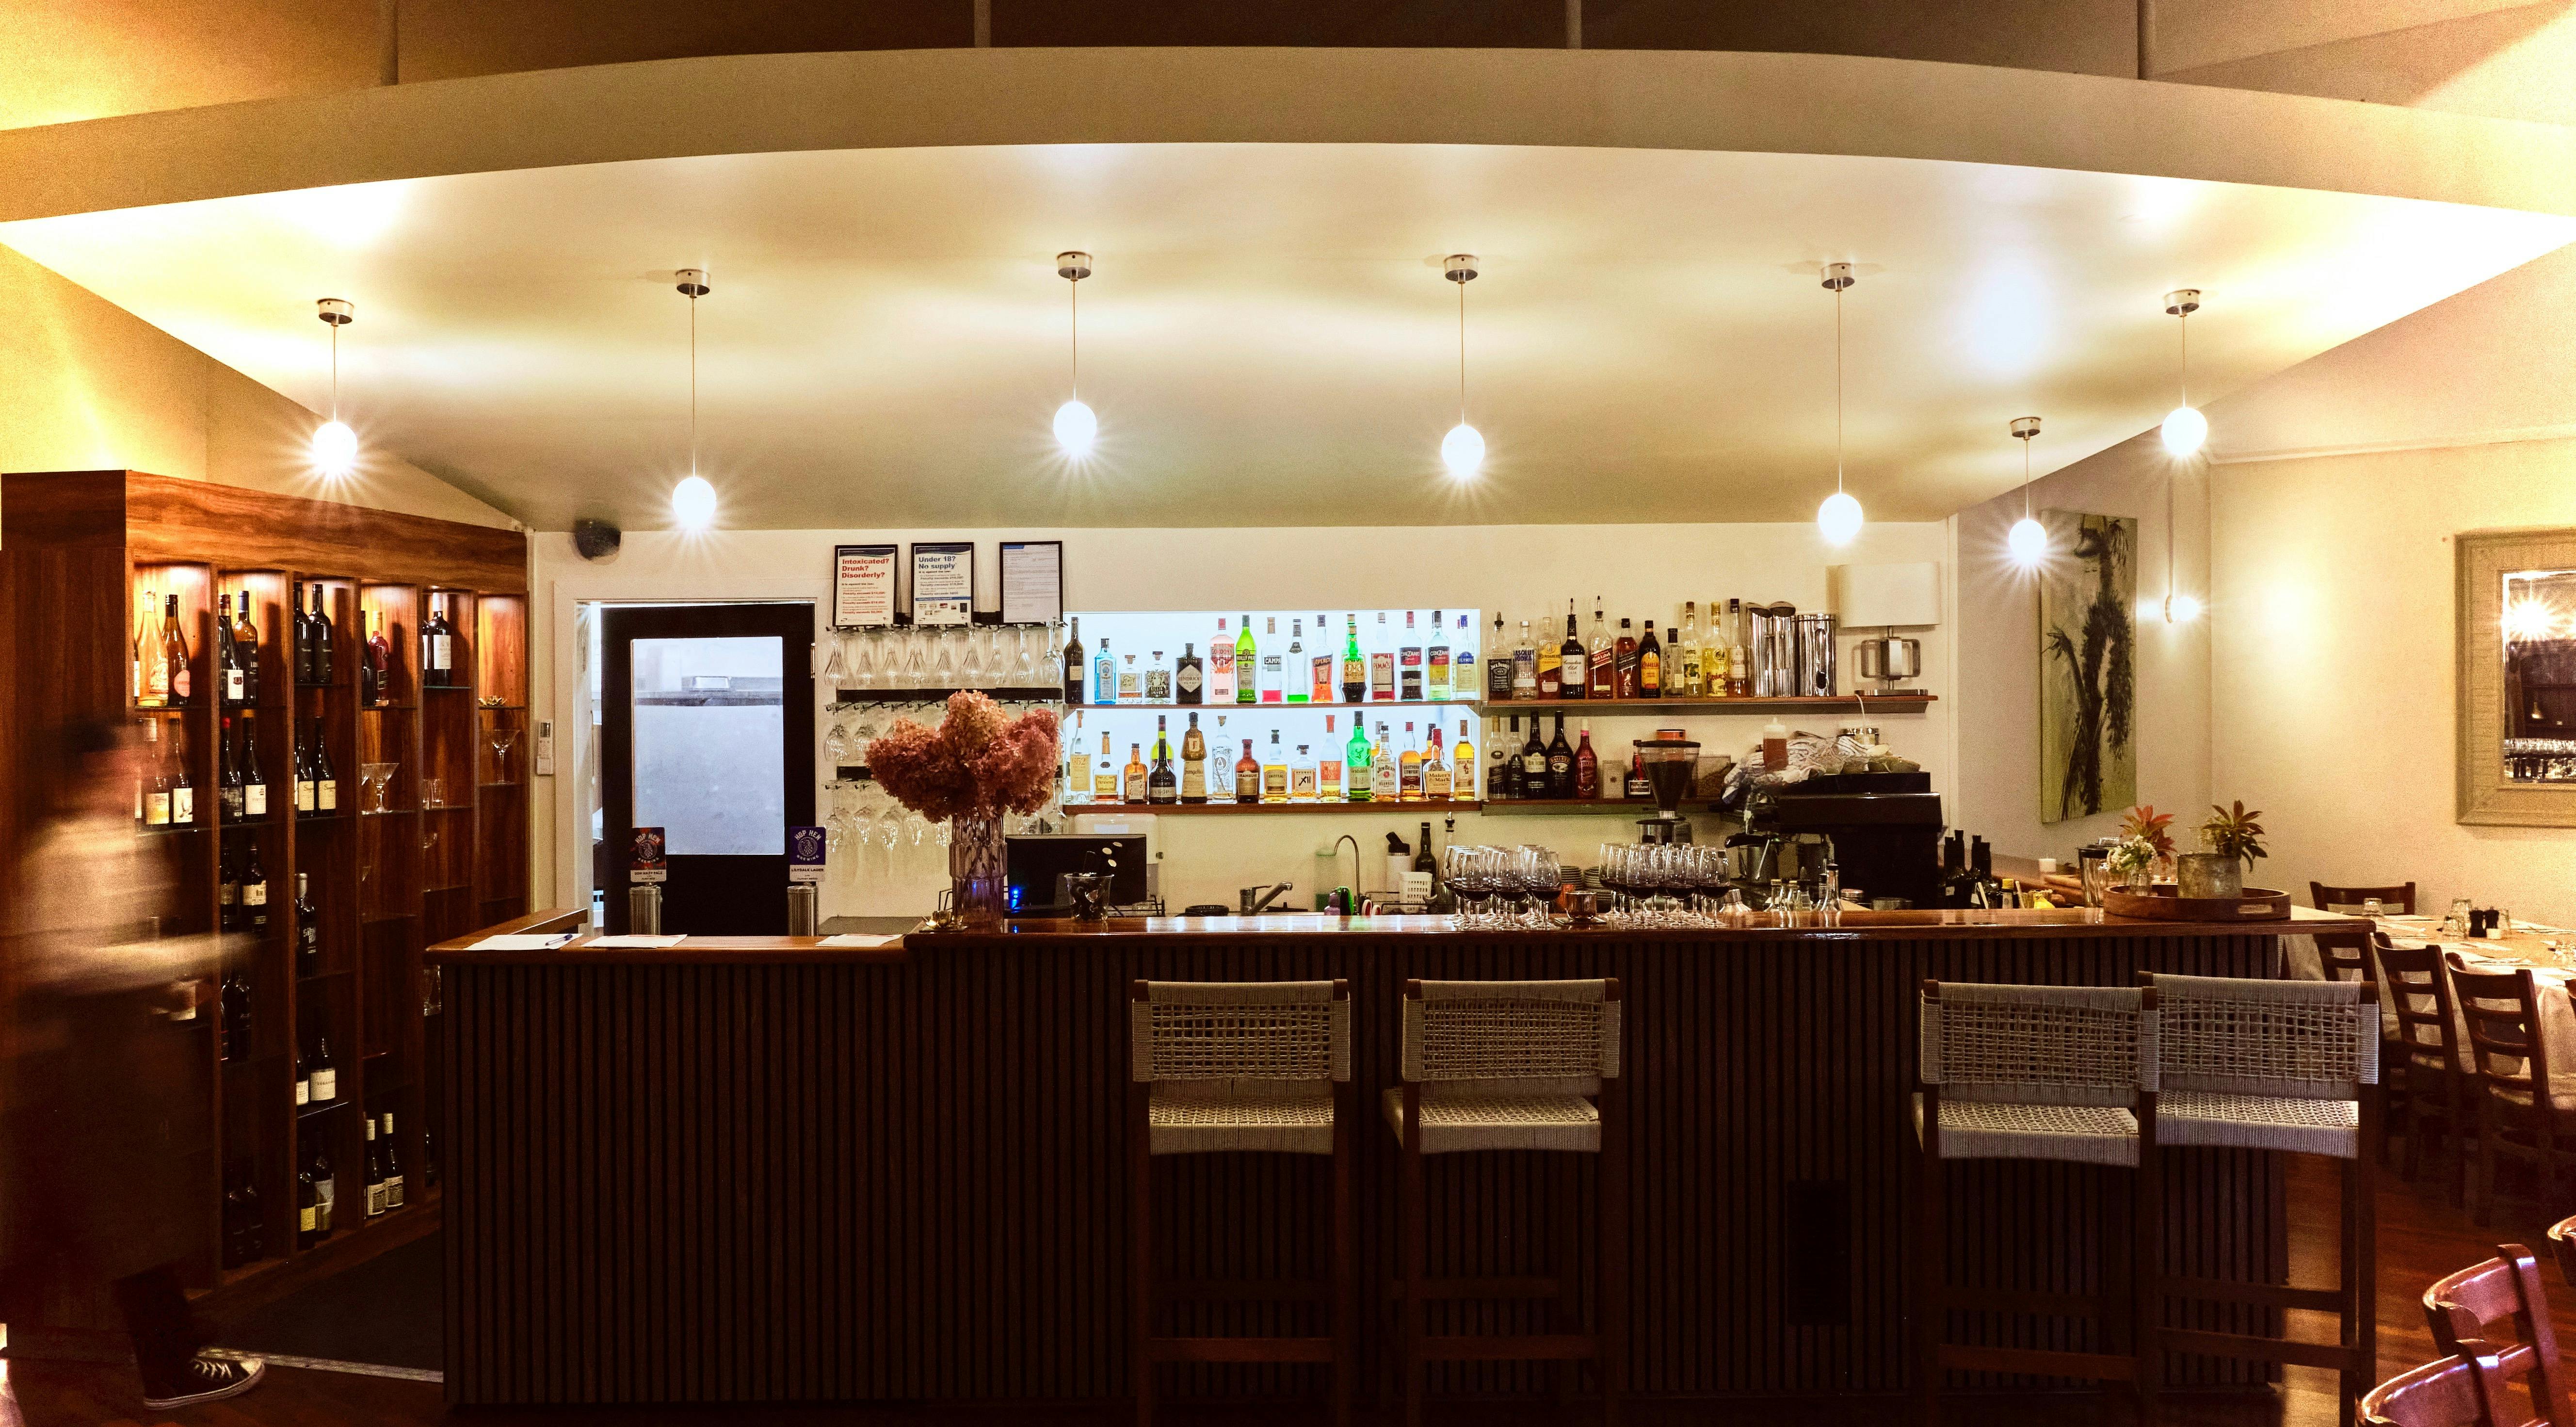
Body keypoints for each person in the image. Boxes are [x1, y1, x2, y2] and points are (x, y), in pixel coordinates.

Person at [3, 719, 265, 1408]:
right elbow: (73, 963)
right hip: (82, 1067)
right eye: (131, 758)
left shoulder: (111, 839)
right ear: (97, 768)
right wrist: (199, 954)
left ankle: (172, 1354)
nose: (146, 768)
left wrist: (167, 982)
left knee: (78, 1226)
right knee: (120, 1222)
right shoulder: (68, 850)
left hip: (100, 1062)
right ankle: (170, 1366)